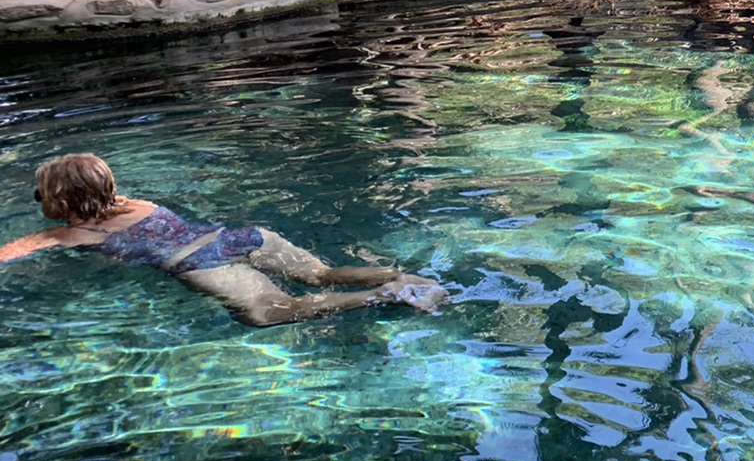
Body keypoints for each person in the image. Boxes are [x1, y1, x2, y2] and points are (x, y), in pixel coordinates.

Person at [0, 153, 445, 327]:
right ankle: (401, 275)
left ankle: (387, 294)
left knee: (270, 313)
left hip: (201, 265)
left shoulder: (63, 234)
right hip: (239, 238)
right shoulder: (139, 202)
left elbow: (8, 255)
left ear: (57, 199)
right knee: (320, 274)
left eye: (41, 192)